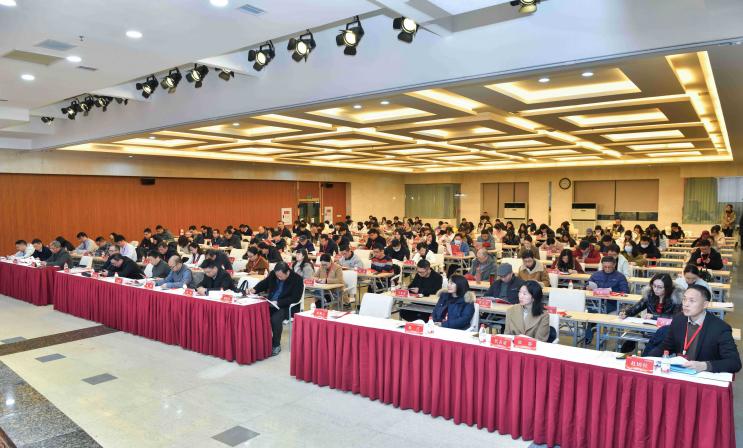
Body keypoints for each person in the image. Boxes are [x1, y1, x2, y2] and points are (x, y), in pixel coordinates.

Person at [647, 285, 741, 374]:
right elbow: (666, 346)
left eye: (692, 301)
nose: (686, 304)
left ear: (705, 304)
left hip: (704, 376)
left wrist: (704, 366)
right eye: (684, 299)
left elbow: (734, 363)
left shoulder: (720, 328)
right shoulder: (679, 319)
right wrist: (648, 359)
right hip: (681, 371)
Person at [249, 262, 304, 356]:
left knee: (275, 319)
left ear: (287, 272)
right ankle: (263, 342)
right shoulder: (273, 274)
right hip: (271, 303)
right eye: (277, 276)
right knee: (257, 314)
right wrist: (255, 289)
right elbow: (264, 283)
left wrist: (278, 302)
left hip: (286, 306)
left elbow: (295, 298)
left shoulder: (297, 279)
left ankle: (276, 344)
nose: (278, 278)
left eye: (280, 276)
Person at [619, 274, 682, 354]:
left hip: (666, 333)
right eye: (654, 286)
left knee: (653, 349)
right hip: (649, 330)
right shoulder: (650, 294)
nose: (655, 289)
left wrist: (654, 316)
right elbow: (637, 307)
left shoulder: (676, 297)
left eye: (660, 287)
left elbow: (676, 317)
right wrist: (626, 312)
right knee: (632, 336)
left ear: (667, 288)